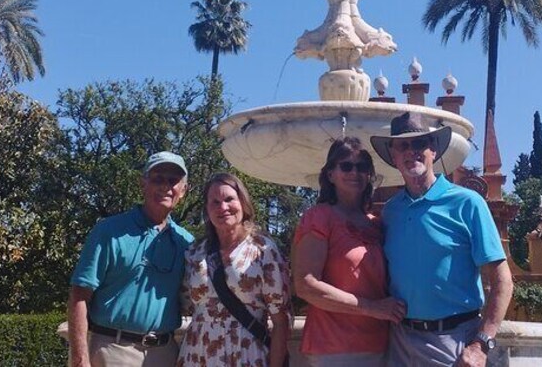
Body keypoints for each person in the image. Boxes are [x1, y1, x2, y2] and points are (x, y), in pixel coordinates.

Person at [370, 113, 513, 367]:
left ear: (433, 150)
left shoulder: (467, 203)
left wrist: (481, 343)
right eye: (402, 145)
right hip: (400, 342)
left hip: (454, 342)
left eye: (419, 143)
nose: (411, 151)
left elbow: (503, 280)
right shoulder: (391, 211)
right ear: (393, 155)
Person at [68, 151, 194, 367]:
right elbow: (79, 297)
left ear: (183, 190)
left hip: (165, 352)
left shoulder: (187, 243)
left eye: (173, 180)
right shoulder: (109, 231)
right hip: (113, 350)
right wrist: (80, 360)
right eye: (158, 179)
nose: (165, 186)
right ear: (143, 183)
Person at [292, 137, 406, 367]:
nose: (354, 172)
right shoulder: (319, 217)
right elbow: (305, 285)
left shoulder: (376, 223)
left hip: (382, 344)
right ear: (330, 174)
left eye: (362, 167)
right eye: (346, 166)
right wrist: (372, 308)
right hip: (334, 347)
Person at [177, 173, 291, 367]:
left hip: (246, 353)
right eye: (215, 202)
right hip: (198, 353)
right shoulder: (195, 252)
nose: (223, 207)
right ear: (207, 209)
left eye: (229, 199)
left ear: (243, 203)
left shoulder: (263, 250)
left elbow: (280, 321)